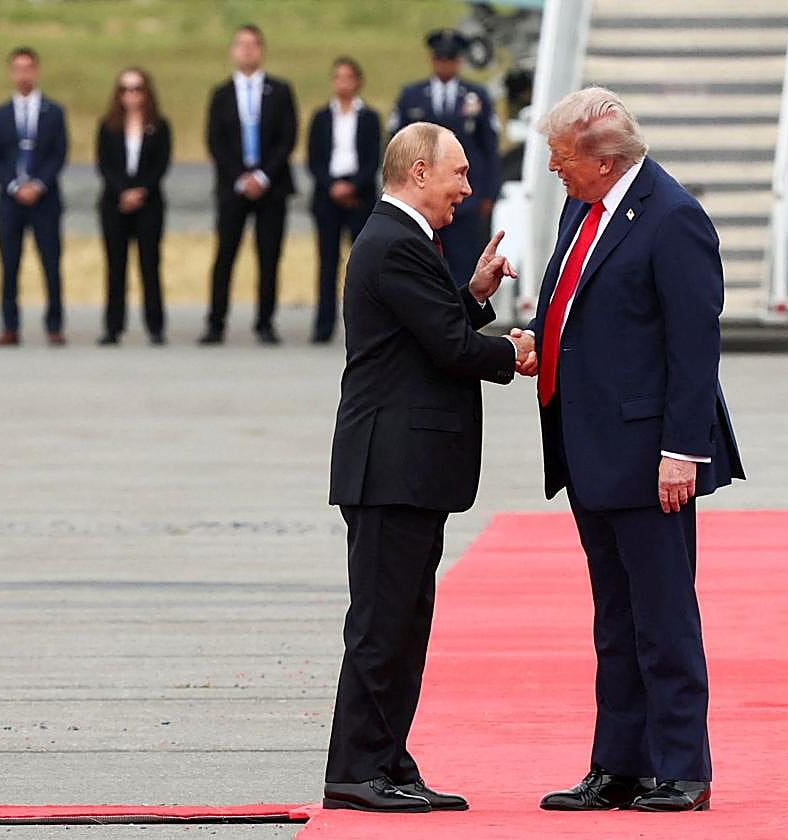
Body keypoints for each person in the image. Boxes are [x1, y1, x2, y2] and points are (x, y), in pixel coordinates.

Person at [515, 87, 745, 813]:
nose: (553, 168)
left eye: (561, 156)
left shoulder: (673, 218)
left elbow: (694, 345)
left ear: (604, 159)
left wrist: (683, 450)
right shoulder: (582, 207)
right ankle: (618, 764)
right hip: (589, 448)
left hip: (650, 456)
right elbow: (576, 307)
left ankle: (681, 768)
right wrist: (534, 338)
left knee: (663, 618)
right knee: (614, 620)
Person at [322, 122, 531, 813]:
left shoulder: (404, 240)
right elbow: (448, 347)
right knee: (382, 623)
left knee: (406, 624)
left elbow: (426, 330)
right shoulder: (394, 242)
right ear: (419, 172)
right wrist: (514, 353)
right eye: (458, 173)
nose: (466, 188)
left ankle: (387, 759)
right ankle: (356, 769)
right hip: (390, 466)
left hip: (405, 468)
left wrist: (473, 294)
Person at [200, 23, 297, 345]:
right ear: (233, 51)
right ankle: (216, 322)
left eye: (253, 45)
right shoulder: (221, 94)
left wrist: (263, 175)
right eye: (241, 45)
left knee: (269, 256)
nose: (247, 50)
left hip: (271, 186)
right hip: (233, 186)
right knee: (225, 254)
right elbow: (215, 141)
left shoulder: (279, 91)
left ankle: (265, 322)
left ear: (262, 50)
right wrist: (240, 177)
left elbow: (287, 138)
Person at [388, 29, 500, 289]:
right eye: (440, 59)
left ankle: (462, 312)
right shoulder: (412, 96)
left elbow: (489, 148)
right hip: (423, 197)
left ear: (459, 61)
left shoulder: (477, 96)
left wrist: (488, 193)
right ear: (432, 60)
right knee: (423, 266)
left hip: (465, 198)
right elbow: (396, 148)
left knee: (463, 265)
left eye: (450, 59)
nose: (445, 65)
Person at [0, 46, 68, 347]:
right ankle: (10, 326)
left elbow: (59, 154)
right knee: (9, 264)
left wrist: (39, 184)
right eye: (18, 69)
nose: (23, 75)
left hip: (45, 200)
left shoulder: (53, 112)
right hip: (11, 202)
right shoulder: (1, 115)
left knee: (51, 263)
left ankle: (54, 325)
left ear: (36, 71)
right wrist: (14, 185)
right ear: (11, 73)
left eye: (28, 68)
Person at [306, 56, 381, 343]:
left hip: (359, 196)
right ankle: (323, 325)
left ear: (358, 82)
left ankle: (366, 326)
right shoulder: (321, 117)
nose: (343, 83)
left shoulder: (369, 117)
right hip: (328, 195)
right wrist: (332, 186)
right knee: (327, 262)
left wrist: (353, 186)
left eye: (348, 78)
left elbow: (373, 159)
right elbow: (314, 159)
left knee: (362, 264)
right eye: (338, 77)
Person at [95, 67, 172, 346]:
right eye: (125, 89)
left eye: (137, 89)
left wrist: (141, 190)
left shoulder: (159, 126)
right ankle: (113, 327)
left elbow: (161, 164)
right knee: (116, 266)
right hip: (114, 203)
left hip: (149, 203)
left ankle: (155, 326)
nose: (131, 95)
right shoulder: (107, 126)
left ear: (146, 92)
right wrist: (123, 191)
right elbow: (104, 164)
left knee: (149, 265)